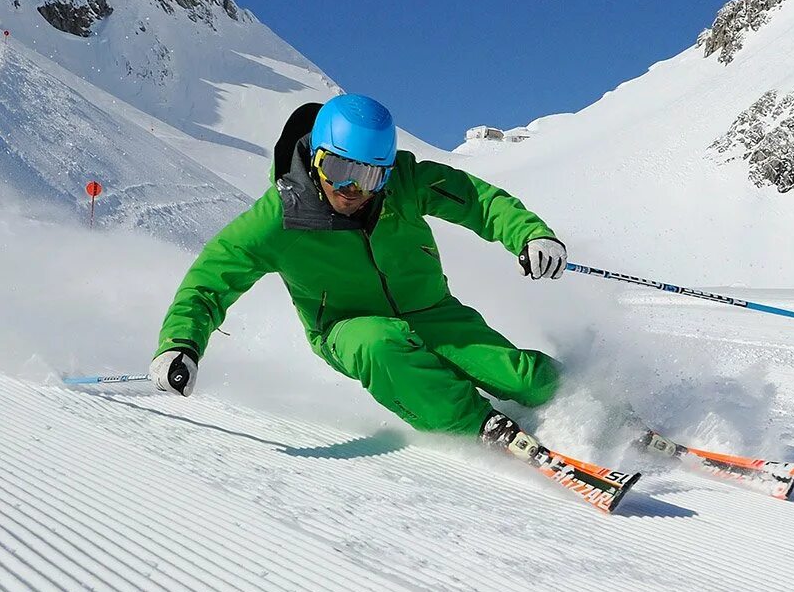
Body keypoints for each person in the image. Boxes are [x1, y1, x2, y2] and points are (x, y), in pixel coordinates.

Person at [151, 94, 566, 447]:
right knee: (380, 345)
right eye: (340, 171)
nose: (353, 191)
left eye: (369, 176)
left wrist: (531, 235)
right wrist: (181, 343)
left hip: (432, 311)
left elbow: (477, 201)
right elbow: (209, 281)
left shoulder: (404, 183)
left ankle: (602, 410)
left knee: (526, 379)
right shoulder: (278, 218)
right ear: (316, 158)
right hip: (347, 326)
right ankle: (475, 426)